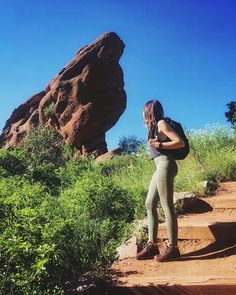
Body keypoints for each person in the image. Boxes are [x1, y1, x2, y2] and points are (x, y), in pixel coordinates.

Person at [136, 99, 185, 262]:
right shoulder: (153, 126)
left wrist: (159, 144)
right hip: (159, 167)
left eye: (144, 111)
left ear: (149, 111)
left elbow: (179, 142)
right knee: (149, 204)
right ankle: (152, 245)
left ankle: (173, 248)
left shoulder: (161, 123)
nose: (142, 114)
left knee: (166, 205)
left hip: (166, 165)